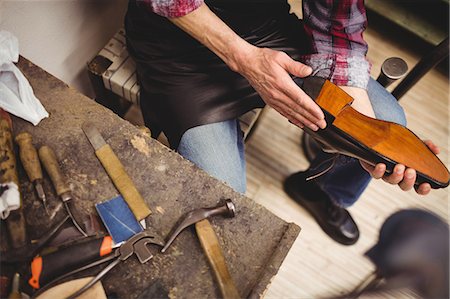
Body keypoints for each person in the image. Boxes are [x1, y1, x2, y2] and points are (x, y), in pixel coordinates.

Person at [124, 0, 439, 245]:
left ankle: (321, 191)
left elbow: (336, 22)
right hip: (179, 47)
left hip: (265, 31)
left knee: (389, 120)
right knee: (223, 206)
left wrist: (360, 131)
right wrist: (243, 59)